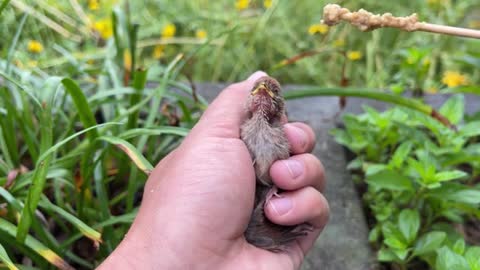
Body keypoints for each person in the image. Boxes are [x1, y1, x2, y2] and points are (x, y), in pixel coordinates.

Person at [98, 71, 330, 269]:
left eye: (272, 92)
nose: (262, 91)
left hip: (259, 222)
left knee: (283, 195)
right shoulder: (235, 136)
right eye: (257, 89)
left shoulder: (282, 137)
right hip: (236, 227)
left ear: (279, 107)